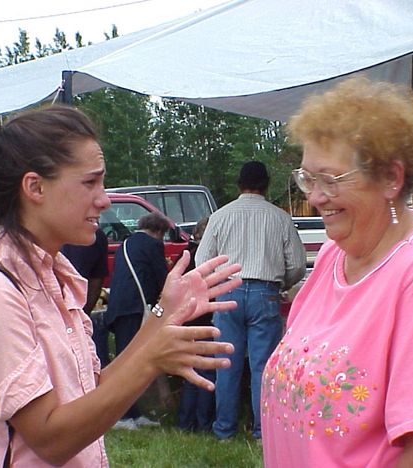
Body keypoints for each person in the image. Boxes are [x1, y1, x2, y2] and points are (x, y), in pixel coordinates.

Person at [0, 105, 242, 467]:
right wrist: (151, 360)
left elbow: (93, 392)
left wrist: (163, 312)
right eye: (90, 182)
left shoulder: (52, 275)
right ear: (35, 187)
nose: (104, 199)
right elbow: (50, 439)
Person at [261, 77, 413, 467]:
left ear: (390, 178)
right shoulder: (336, 255)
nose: (315, 197)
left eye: (330, 180)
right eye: (307, 178)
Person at [196, 161, 306, 441]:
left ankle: (224, 429)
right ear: (267, 185)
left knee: (227, 364)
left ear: (238, 184)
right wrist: (283, 282)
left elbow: (201, 261)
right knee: (263, 366)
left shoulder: (220, 216)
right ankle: (262, 431)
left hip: (227, 293)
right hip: (266, 293)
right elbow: (297, 265)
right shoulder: (280, 218)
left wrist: (219, 282)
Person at [104, 212, 171, 430]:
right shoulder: (153, 245)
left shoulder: (127, 243)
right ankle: (121, 416)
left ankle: (132, 412)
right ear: (159, 231)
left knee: (127, 358)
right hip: (135, 308)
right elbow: (163, 280)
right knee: (129, 364)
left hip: (121, 306)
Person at [177, 217, 216, 432]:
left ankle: (184, 422)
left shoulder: (185, 256)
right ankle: (204, 422)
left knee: (189, 373)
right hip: (204, 321)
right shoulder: (209, 260)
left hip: (185, 322)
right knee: (206, 373)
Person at [62, 228, 111, 367]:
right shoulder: (95, 234)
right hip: (80, 315)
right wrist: (83, 313)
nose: (104, 204)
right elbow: (96, 281)